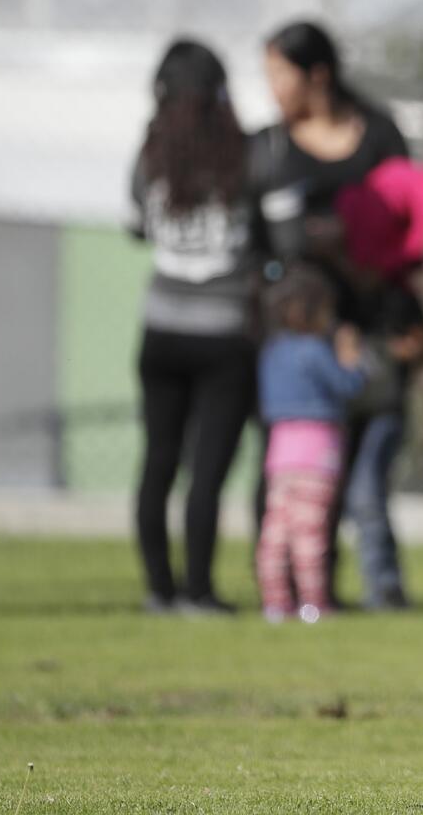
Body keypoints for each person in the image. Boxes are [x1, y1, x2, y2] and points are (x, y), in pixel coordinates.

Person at [254, 21, 423, 610]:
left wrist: (355, 253)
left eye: (280, 72)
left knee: (367, 477)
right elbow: (255, 246)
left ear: (317, 73)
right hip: (305, 337)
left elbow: (409, 222)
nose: (272, 87)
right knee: (298, 469)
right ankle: (304, 586)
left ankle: (382, 588)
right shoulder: (268, 149)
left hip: (377, 325)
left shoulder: (379, 133)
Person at [129, 39, 259, 616]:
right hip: (225, 332)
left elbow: (138, 225)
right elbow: (264, 237)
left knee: (158, 460)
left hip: (161, 327)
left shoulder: (150, 156)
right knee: (208, 468)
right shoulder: (245, 156)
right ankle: (199, 592)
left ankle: (160, 589)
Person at [256, 266, 367, 623]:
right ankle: (313, 603)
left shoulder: (272, 352)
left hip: (280, 453)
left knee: (275, 533)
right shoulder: (315, 351)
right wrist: (351, 358)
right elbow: (349, 386)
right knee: (311, 534)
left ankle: (275, 602)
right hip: (317, 453)